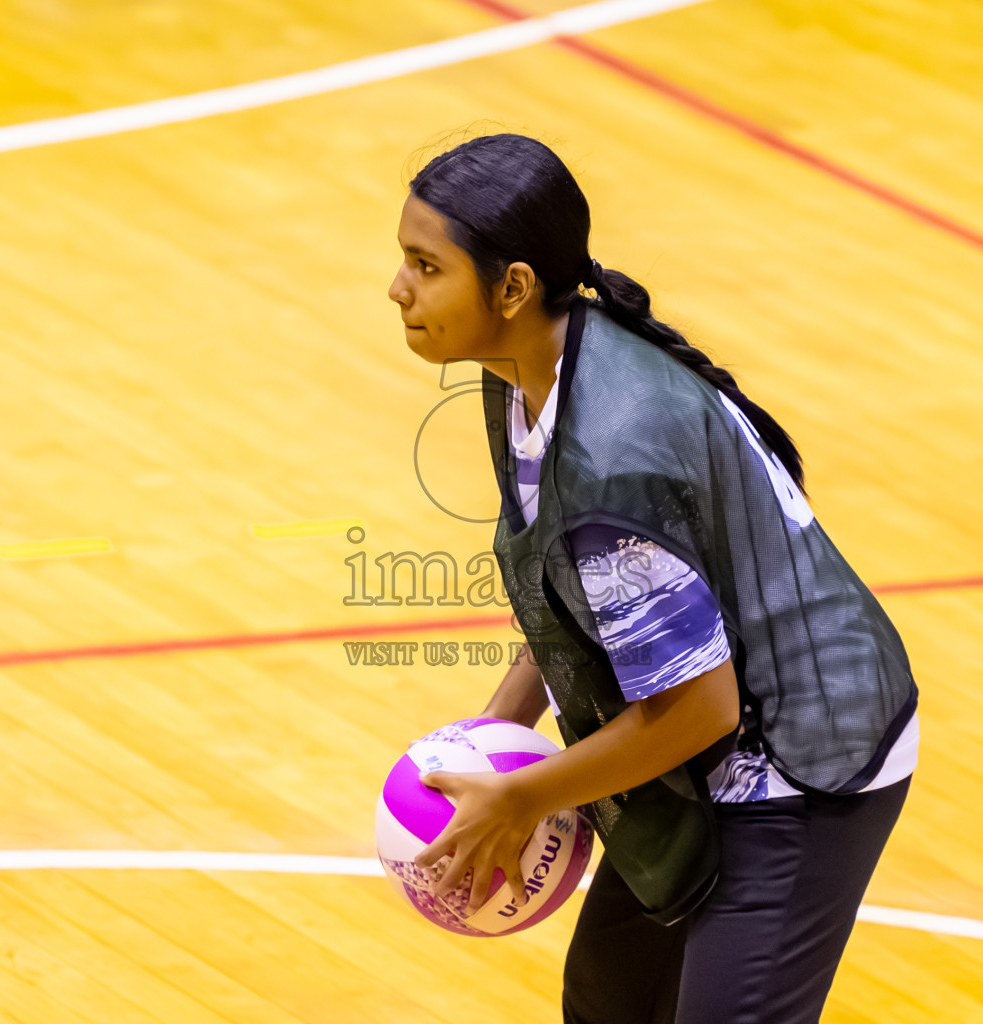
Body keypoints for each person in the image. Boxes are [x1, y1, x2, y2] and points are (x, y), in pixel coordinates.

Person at [387, 132, 919, 1024]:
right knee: (611, 1003)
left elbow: (699, 707)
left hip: (796, 760)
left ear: (511, 288)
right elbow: (577, 593)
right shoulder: (524, 370)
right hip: (695, 745)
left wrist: (523, 795)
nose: (398, 288)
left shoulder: (611, 455)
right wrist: (495, 733)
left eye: (424, 266)